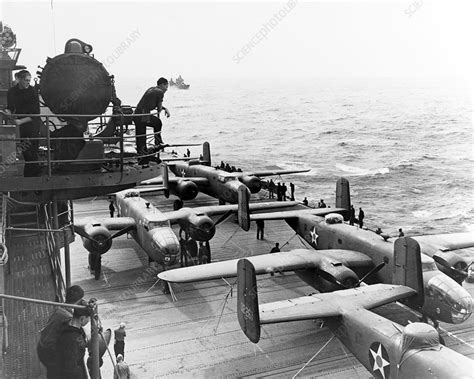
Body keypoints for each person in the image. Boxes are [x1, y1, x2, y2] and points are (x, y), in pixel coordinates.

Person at [37, 285, 85, 379]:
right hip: (49, 353)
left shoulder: (60, 308)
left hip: (42, 346)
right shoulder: (68, 318)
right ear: (77, 302)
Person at [5, 69, 41, 176]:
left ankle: (32, 178)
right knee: (26, 153)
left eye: (29, 81)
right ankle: (32, 179)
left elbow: (36, 114)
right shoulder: (12, 92)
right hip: (22, 126)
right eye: (26, 80)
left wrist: (20, 121)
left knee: (31, 153)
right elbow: (10, 107)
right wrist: (8, 112)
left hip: (32, 125)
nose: (28, 83)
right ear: (19, 79)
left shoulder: (32, 92)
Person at [133, 77, 170, 165]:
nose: (166, 89)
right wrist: (164, 109)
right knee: (157, 123)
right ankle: (158, 143)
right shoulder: (160, 92)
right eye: (166, 86)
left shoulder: (151, 89)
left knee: (141, 138)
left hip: (137, 114)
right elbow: (159, 108)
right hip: (143, 115)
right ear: (162, 85)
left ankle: (142, 158)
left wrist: (165, 108)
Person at [56, 299, 90, 379]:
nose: (88, 322)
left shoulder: (66, 324)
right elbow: (71, 369)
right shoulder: (73, 341)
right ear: (82, 319)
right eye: (87, 320)